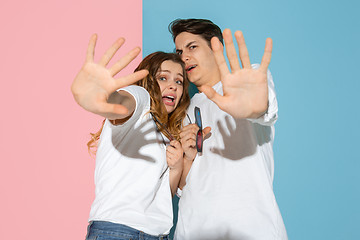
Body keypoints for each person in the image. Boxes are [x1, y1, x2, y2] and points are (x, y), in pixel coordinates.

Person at [169, 19, 288, 239]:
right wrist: (186, 159)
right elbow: (184, 188)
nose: (183, 56)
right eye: (179, 51)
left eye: (192, 46)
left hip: (251, 229)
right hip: (193, 230)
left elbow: (265, 110)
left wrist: (256, 108)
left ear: (216, 47)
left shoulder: (248, 81)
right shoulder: (185, 108)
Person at [71, 35, 191, 240]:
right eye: (163, 78)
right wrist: (102, 98)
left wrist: (177, 167)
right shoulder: (141, 100)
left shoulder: (165, 133)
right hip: (118, 231)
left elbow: (161, 199)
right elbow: (123, 104)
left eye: (178, 81)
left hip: (156, 235)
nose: (173, 86)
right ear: (148, 82)